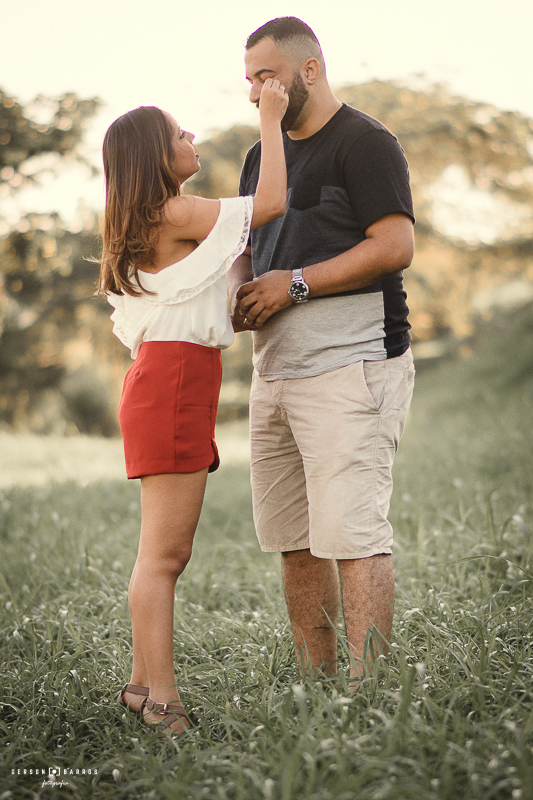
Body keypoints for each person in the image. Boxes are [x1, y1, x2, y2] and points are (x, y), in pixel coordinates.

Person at [228, 17, 416, 684]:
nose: (254, 93)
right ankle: (317, 684)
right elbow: (251, 251)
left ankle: (369, 696)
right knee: (292, 537)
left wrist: (296, 284)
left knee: (352, 537)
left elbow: (394, 246)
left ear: (309, 69)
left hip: (351, 365)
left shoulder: (364, 142)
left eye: (266, 76)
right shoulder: (262, 154)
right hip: (273, 373)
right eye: (249, 79)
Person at [98, 81, 288, 734]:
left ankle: (141, 684)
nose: (192, 140)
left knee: (159, 552)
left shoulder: (162, 221)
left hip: (173, 380)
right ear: (154, 154)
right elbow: (271, 203)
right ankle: (162, 703)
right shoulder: (171, 213)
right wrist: (270, 119)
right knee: (164, 557)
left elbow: (213, 291)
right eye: (180, 134)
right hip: (175, 384)